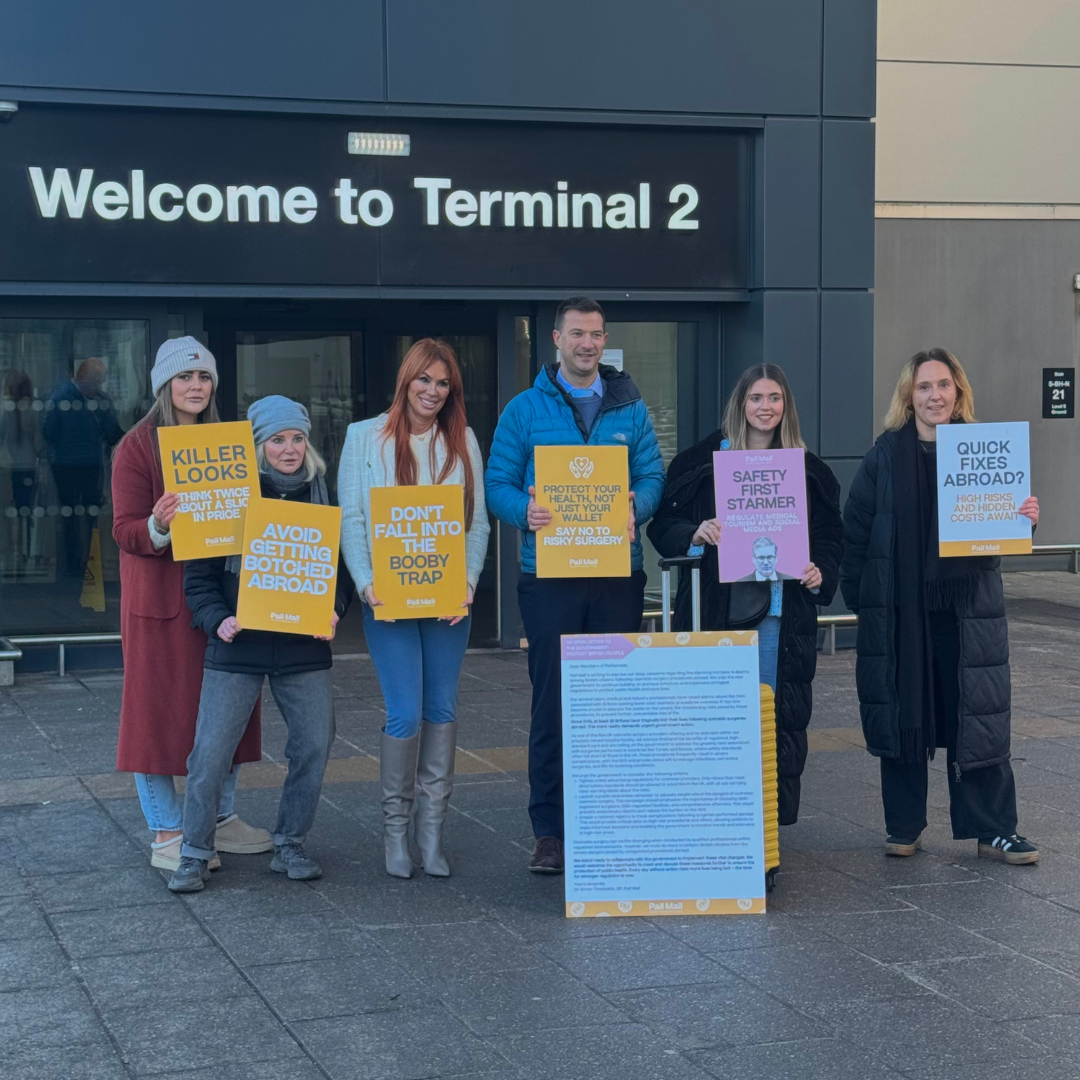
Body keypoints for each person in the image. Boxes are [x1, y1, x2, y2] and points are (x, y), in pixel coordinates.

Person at [840, 348, 1040, 865]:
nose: (935, 396)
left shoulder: (984, 451)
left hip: (967, 614)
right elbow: (855, 535)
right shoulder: (884, 457)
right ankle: (903, 826)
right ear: (909, 397)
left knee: (977, 716)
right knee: (905, 712)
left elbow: (997, 539)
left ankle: (994, 829)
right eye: (924, 387)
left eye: (944, 385)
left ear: (959, 392)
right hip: (902, 616)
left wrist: (1022, 518)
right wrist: (865, 605)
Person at [486, 296, 665, 873]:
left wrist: (639, 503)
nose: (587, 343)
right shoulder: (523, 409)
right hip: (550, 579)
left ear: (604, 341)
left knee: (613, 702)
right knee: (553, 704)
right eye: (577, 334)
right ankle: (550, 831)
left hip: (616, 575)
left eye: (596, 334)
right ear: (557, 340)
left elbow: (652, 474)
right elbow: (496, 483)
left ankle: (609, 820)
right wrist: (524, 511)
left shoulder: (630, 407)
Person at [168, 396, 354, 892]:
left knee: (314, 744)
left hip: (303, 644)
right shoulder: (228, 497)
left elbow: (342, 572)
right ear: (257, 446)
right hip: (238, 642)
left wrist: (335, 609)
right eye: (277, 440)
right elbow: (198, 577)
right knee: (210, 753)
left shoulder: (326, 497)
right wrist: (217, 620)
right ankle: (194, 852)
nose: (289, 449)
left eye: (297, 438)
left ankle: (290, 841)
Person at [648, 363, 842, 826]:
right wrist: (695, 533)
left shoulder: (808, 470)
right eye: (756, 398)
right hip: (715, 611)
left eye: (774, 398)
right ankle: (713, 821)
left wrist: (820, 572)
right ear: (740, 403)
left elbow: (830, 540)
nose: (765, 407)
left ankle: (763, 827)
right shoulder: (699, 464)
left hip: (780, 615)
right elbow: (663, 524)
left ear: (786, 406)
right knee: (714, 721)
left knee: (769, 721)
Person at [112, 337, 268, 871]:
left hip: (219, 599)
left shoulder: (228, 442)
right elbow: (124, 530)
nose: (196, 386)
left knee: (228, 709)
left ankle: (218, 819)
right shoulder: (137, 447)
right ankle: (167, 831)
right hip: (160, 604)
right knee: (154, 718)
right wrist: (158, 523)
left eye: (204, 377)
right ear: (165, 385)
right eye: (185, 377)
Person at [337, 339, 489, 879]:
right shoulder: (363, 437)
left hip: (448, 601)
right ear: (406, 380)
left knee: (441, 709)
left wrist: (468, 582)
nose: (432, 391)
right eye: (424, 379)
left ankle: (431, 835)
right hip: (389, 601)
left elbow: (476, 522)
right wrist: (366, 583)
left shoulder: (462, 439)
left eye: (443, 383)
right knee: (404, 712)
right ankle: (395, 832)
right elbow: (352, 518)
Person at [44, 357, 123, 586]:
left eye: (100, 382)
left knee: (89, 516)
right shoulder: (61, 397)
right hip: (66, 464)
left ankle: (86, 562)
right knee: (70, 517)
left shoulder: (96, 398)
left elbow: (112, 432)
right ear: (83, 378)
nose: (98, 387)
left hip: (89, 464)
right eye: (96, 382)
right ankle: (71, 565)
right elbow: (49, 431)